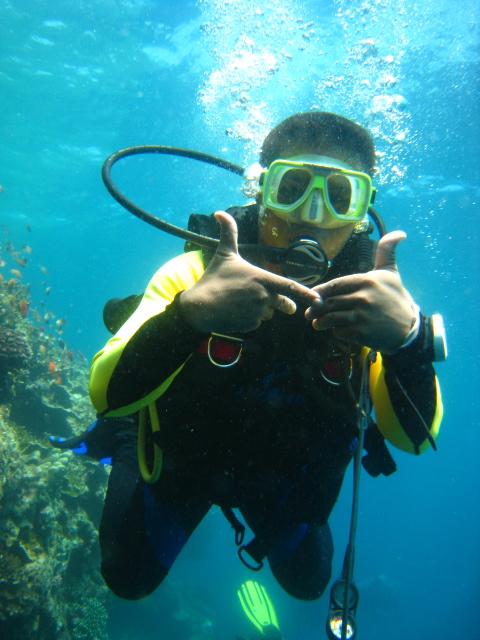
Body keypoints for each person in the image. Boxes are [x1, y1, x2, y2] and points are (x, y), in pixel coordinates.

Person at [70, 112, 445, 602]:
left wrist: (408, 340)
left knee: (309, 585)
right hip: (187, 462)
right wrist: (188, 315)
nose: (311, 214)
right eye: (291, 187)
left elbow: (414, 439)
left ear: (362, 211)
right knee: (126, 578)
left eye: (339, 195)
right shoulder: (195, 272)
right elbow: (106, 396)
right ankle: (129, 440)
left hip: (285, 482)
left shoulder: (372, 304)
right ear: (260, 190)